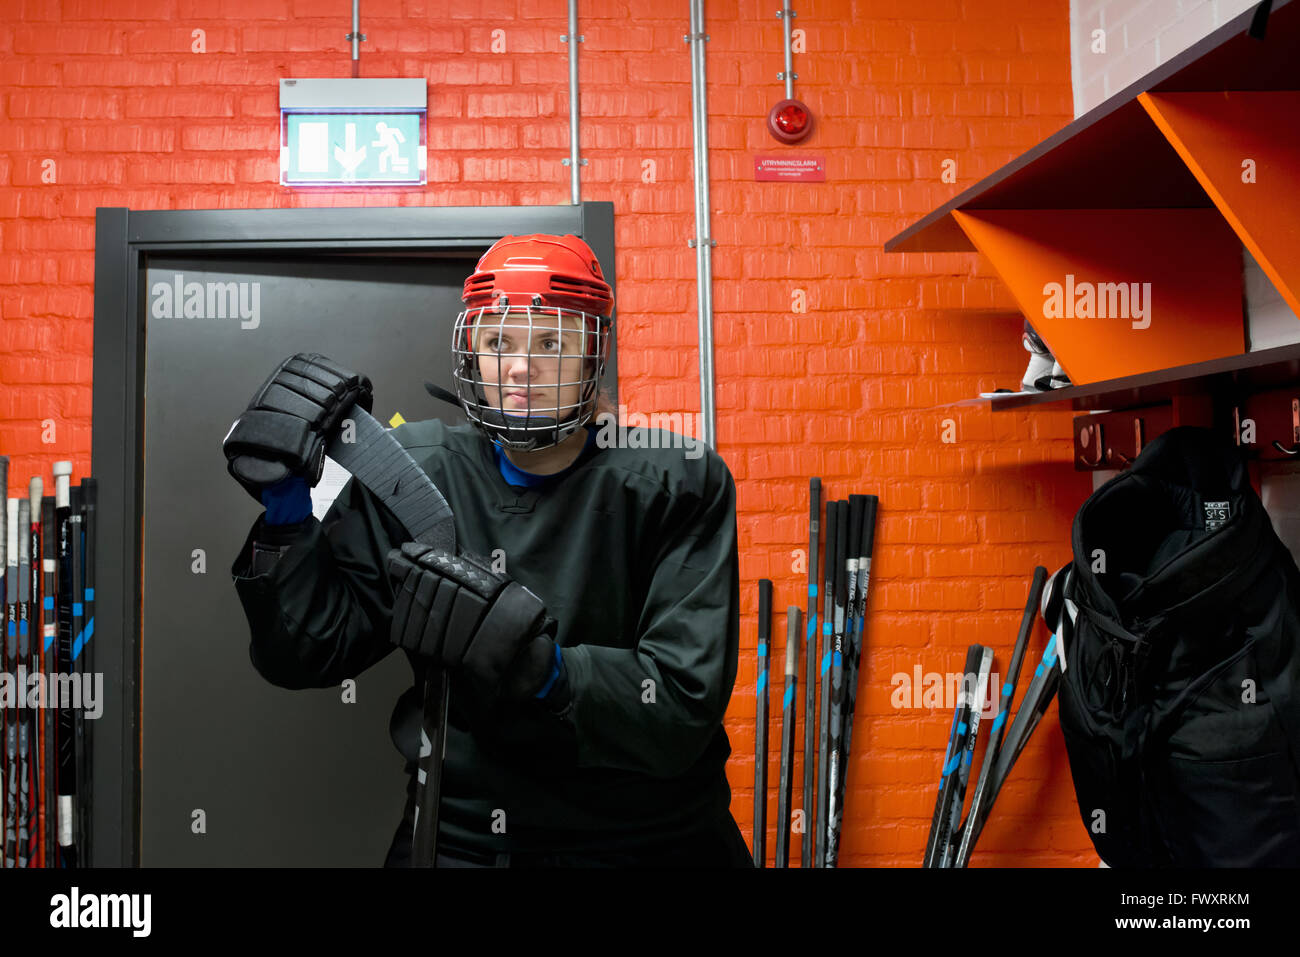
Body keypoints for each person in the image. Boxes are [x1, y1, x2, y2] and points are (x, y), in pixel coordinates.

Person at [223, 233, 753, 867]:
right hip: (468, 839)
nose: (519, 366)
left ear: (593, 356)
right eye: (498, 341)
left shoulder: (677, 481)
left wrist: (543, 668)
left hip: (655, 840)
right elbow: (307, 653)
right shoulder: (410, 474)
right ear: (472, 353)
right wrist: (288, 514)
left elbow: (680, 703)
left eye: (551, 342)